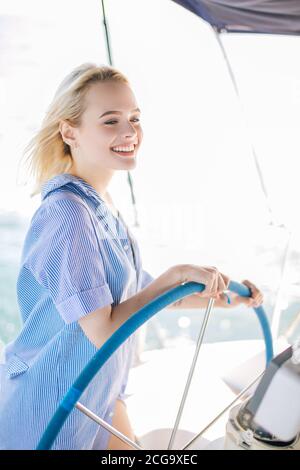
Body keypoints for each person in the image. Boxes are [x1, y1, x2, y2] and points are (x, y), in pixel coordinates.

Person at [0, 63, 263, 450]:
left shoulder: (100, 205)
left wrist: (224, 300)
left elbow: (135, 296)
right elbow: (105, 328)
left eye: (134, 118)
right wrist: (172, 275)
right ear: (69, 131)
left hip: (99, 396)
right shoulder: (68, 213)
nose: (129, 132)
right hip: (53, 411)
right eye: (110, 121)